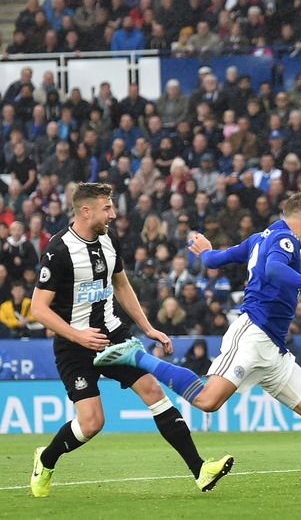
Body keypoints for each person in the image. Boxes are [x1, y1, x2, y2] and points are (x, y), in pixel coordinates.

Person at [94, 192, 301, 504]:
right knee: (207, 400)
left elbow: (217, 260)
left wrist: (205, 253)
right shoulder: (286, 240)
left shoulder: (260, 237)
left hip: (274, 349)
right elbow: (274, 271)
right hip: (252, 335)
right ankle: (138, 356)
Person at [29, 183, 232, 498]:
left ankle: (200, 470)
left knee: (153, 389)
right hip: (74, 344)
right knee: (92, 423)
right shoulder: (59, 251)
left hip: (114, 336)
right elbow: (37, 309)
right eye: (107, 208)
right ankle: (46, 458)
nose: (113, 213)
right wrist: (78, 334)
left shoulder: (110, 240)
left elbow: (121, 284)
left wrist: (147, 327)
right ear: (86, 211)